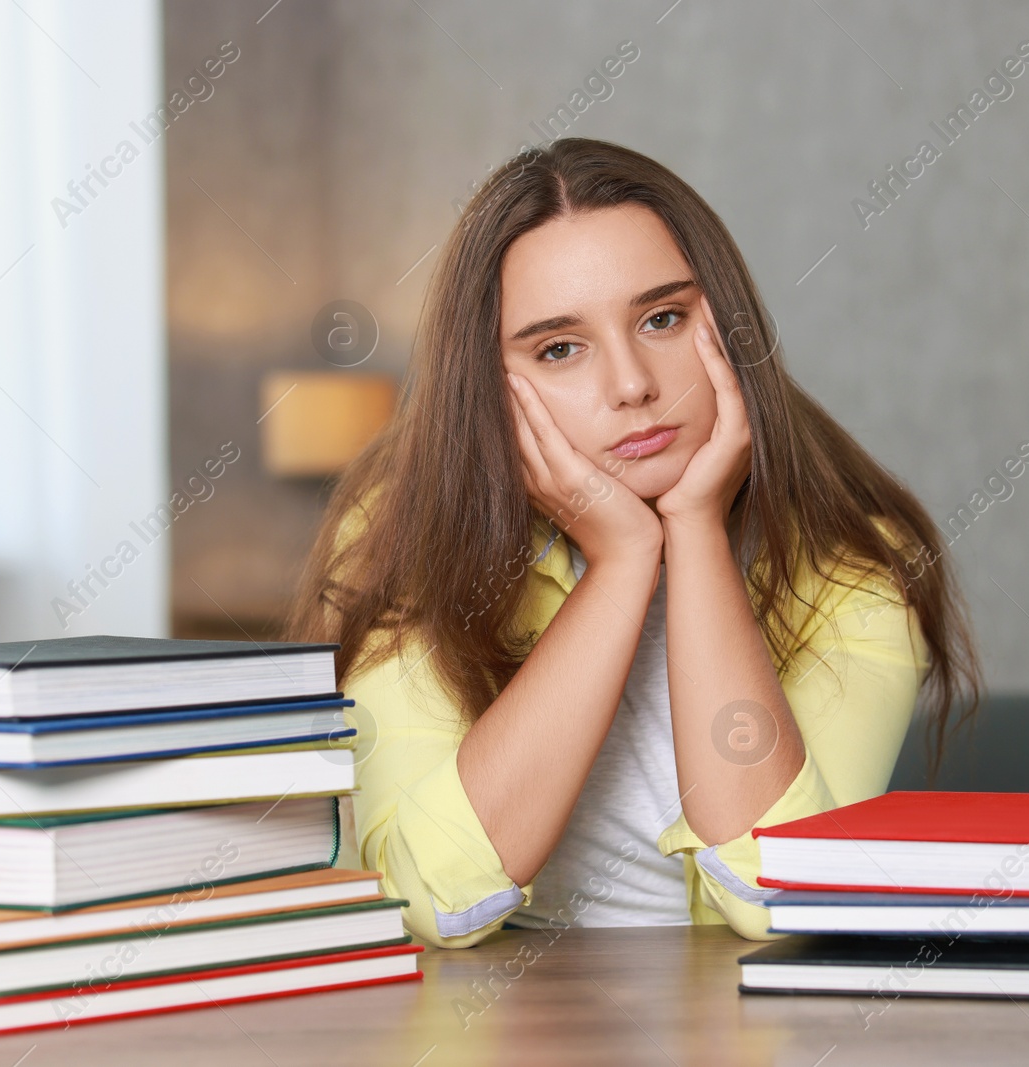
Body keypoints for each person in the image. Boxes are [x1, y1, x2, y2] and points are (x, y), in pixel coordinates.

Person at [286, 137, 979, 948]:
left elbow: (781, 897)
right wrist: (619, 565)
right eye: (560, 348)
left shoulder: (855, 559)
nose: (632, 385)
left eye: (662, 318)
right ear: (485, 383)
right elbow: (428, 899)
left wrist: (692, 531)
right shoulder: (401, 532)